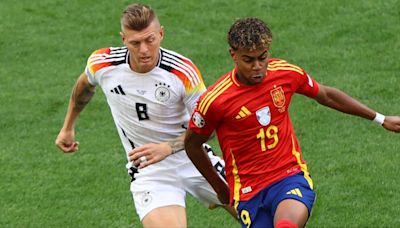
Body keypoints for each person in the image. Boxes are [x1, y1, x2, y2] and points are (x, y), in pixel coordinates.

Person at [184, 17, 400, 228]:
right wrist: (219, 187)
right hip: (248, 192)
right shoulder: (215, 100)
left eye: (263, 57)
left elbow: (325, 95)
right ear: (233, 55)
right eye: (248, 60)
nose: (257, 66)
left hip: (288, 176)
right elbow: (192, 144)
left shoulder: (285, 73)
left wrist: (381, 119)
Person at [55, 3, 235, 227]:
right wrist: (68, 127)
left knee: (259, 215)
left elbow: (210, 129)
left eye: (150, 40)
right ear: (123, 39)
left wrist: (169, 147)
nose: (144, 50)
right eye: (135, 43)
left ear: (161, 34)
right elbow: (85, 86)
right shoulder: (103, 64)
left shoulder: (182, 71)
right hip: (150, 171)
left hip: (193, 158)